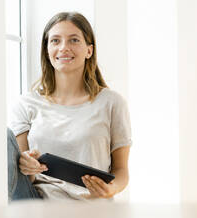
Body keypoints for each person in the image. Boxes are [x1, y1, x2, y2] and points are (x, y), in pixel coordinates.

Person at [8, 12, 132, 202]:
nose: (64, 48)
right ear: (47, 50)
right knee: (5, 139)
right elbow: (22, 175)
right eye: (55, 41)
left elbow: (121, 170)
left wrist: (110, 189)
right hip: (37, 203)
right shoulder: (26, 104)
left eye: (74, 40)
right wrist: (26, 164)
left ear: (89, 51)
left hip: (89, 207)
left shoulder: (111, 103)